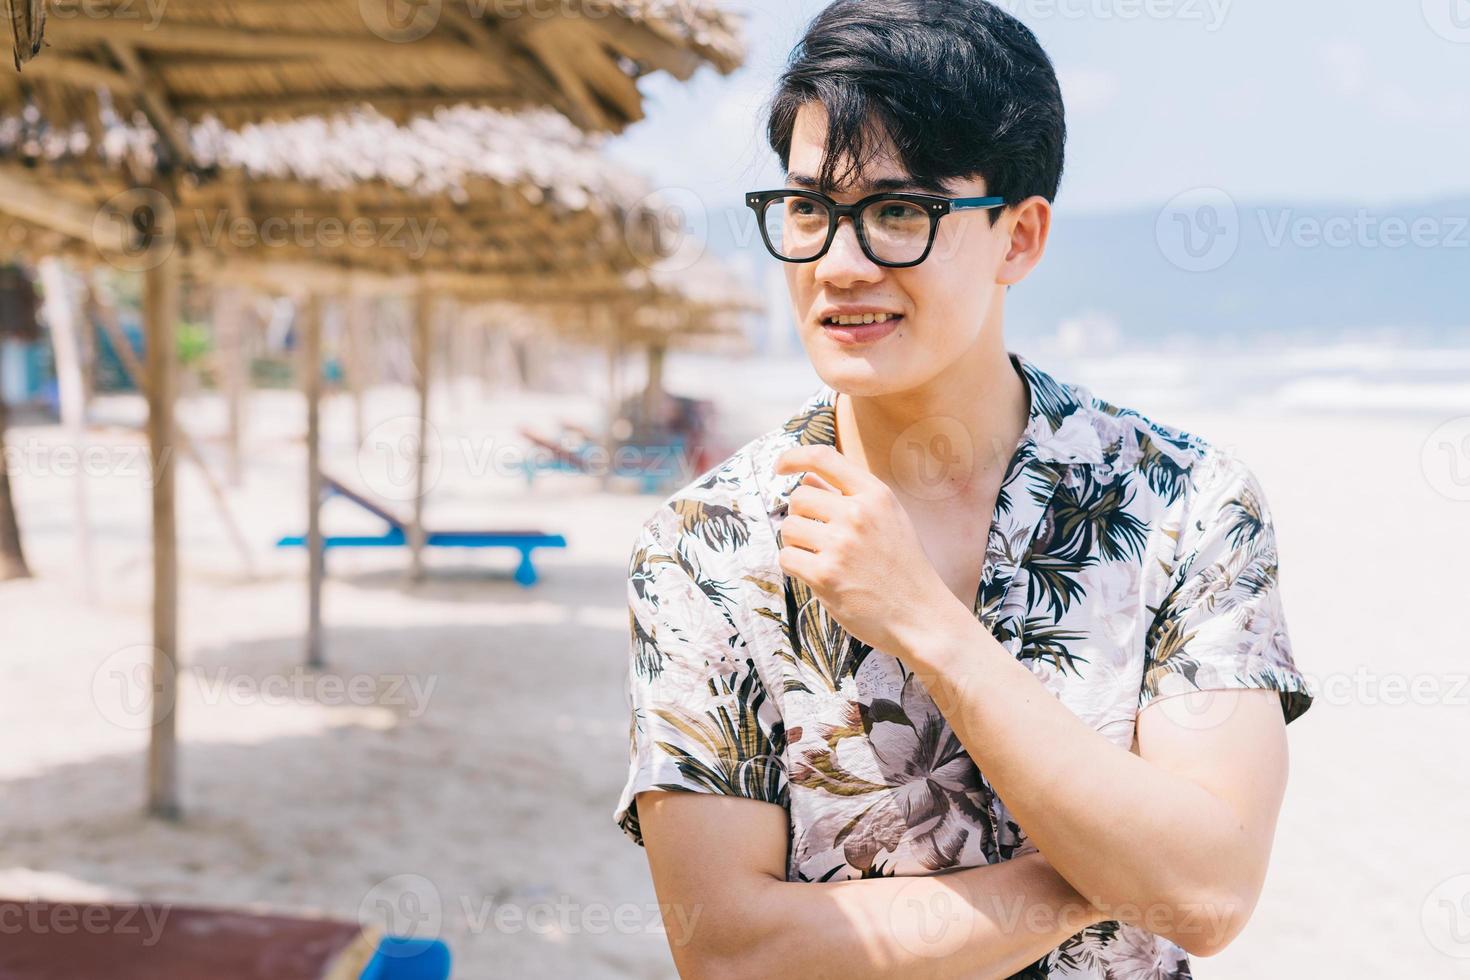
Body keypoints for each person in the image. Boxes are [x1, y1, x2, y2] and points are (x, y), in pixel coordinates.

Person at [612, 2, 1314, 976]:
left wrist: (927, 626)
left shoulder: (1184, 505)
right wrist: (1117, 862)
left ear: (1019, 238)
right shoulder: (706, 543)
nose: (839, 264)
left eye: (900, 212)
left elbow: (1211, 894)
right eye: (810, 209)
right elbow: (732, 953)